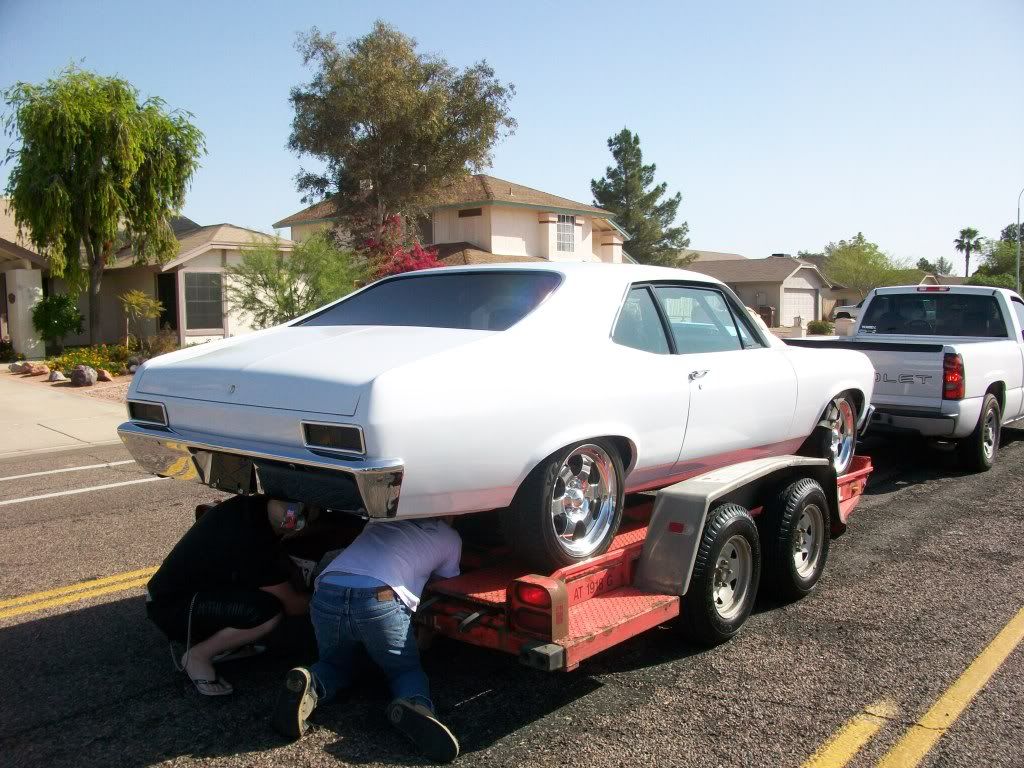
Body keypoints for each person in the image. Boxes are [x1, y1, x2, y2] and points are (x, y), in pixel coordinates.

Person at [272, 516, 462, 763]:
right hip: (380, 599)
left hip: (327, 591)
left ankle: (310, 684)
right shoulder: (450, 538)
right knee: (404, 671)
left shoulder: (380, 521)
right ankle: (415, 705)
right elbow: (443, 589)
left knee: (334, 664)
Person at [146, 495, 312, 696]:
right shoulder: (254, 542)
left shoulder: (246, 507)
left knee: (260, 593)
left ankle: (230, 643)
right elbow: (293, 606)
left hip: (167, 595)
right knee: (268, 612)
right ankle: (198, 656)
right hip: (174, 609)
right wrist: (327, 599)